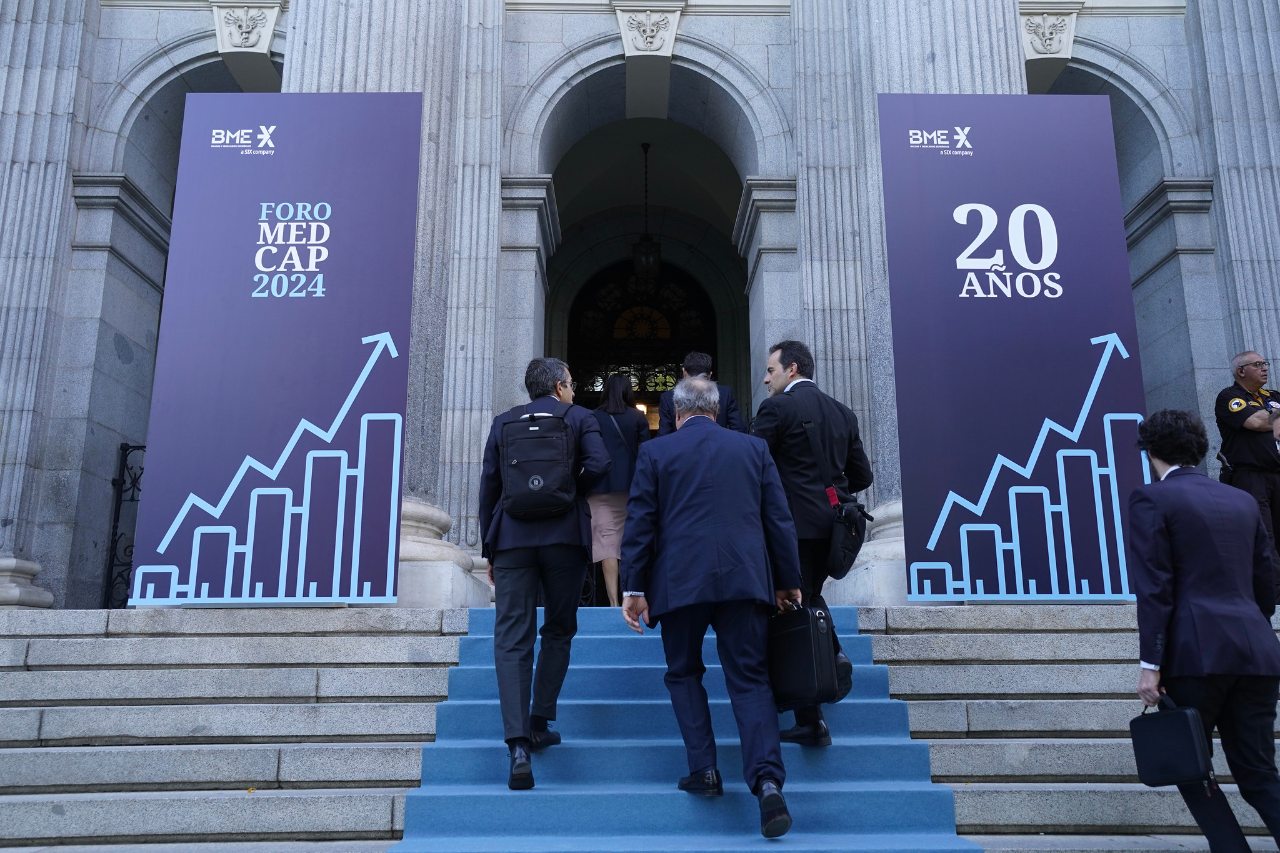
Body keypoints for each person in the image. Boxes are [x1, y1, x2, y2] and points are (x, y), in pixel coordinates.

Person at [620, 377, 803, 839]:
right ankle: (765, 782)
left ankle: (704, 769)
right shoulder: (752, 450)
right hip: (744, 579)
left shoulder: (656, 454)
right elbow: (777, 520)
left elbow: (641, 523)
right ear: (717, 410)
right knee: (750, 678)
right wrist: (787, 582)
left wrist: (633, 587)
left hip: (678, 582)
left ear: (676, 412)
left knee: (683, 672)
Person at [1129, 409, 1280, 851]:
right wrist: (1254, 626)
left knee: (1190, 767)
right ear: (1198, 448)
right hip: (1256, 651)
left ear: (1150, 451)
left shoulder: (1151, 498)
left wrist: (1149, 665)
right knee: (1258, 771)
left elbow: (1155, 588)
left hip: (1196, 654)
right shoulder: (1241, 500)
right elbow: (1267, 577)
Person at [478, 357, 610, 790]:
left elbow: (490, 487)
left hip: (513, 538)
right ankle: (540, 719)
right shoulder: (580, 417)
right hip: (564, 538)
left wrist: (489, 547)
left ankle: (517, 745)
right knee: (558, 627)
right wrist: (572, 490)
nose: (572, 390)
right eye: (571, 383)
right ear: (558, 386)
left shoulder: (503, 423)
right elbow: (601, 465)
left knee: (511, 636)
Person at [751, 339, 872, 747]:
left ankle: (811, 714)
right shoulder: (842, 411)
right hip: (832, 527)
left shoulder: (777, 408)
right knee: (809, 597)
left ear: (792, 368)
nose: (765, 378)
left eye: (771, 370)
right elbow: (862, 476)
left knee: (792, 608)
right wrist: (828, 492)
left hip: (790, 528)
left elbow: (753, 464)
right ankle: (833, 658)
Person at [588, 373, 650, 606]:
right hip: (631, 488)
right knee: (630, 542)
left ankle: (614, 603)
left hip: (600, 488)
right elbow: (645, 455)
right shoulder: (637, 418)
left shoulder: (593, 417)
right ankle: (631, 595)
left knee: (607, 546)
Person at [1215, 351, 1280, 563]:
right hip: (1251, 477)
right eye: (1258, 364)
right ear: (1241, 371)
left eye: (1265, 363)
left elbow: (1265, 420)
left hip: (1277, 475)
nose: (1265, 368)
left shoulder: (1273, 396)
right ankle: (1273, 594)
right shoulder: (1229, 397)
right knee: (1264, 538)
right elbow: (1255, 422)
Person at [656, 351, 746, 436]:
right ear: (710, 375)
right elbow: (738, 429)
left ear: (684, 372)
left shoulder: (668, 397)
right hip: (718, 449)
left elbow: (664, 434)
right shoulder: (725, 393)